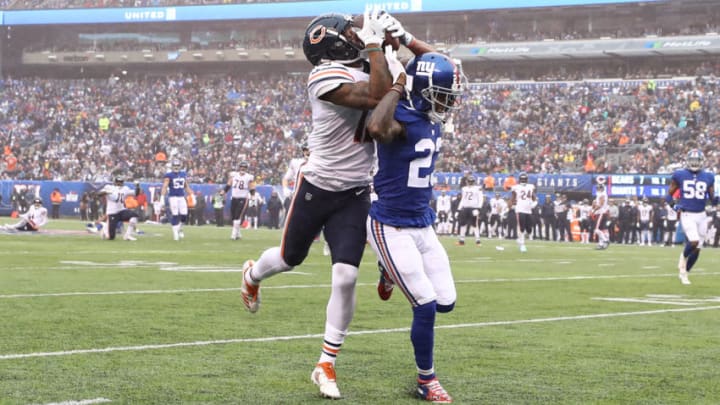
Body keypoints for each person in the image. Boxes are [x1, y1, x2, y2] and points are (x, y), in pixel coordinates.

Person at [240, 9, 431, 400]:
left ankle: (325, 362)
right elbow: (378, 95)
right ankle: (252, 276)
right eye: (351, 31)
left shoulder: (370, 60)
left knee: (344, 276)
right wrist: (380, 48)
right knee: (289, 258)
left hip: (356, 189)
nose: (359, 33)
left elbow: (438, 64)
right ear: (336, 43)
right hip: (318, 185)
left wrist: (404, 38)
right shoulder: (324, 76)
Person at [365, 51, 464, 403]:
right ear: (422, 90)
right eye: (442, 94)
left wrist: (403, 40)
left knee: (446, 303)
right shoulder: (400, 116)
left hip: (423, 223)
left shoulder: (429, 115)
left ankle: (387, 271)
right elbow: (374, 127)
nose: (448, 101)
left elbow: (431, 57)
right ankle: (427, 380)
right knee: (424, 304)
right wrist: (398, 83)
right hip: (389, 224)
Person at [666, 149, 717, 285]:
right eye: (692, 161)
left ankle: (685, 273)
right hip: (687, 213)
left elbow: (713, 199)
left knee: (698, 247)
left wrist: (717, 199)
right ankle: (682, 258)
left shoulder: (708, 176)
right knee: (693, 241)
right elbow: (668, 195)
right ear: (688, 161)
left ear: (701, 162)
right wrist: (674, 206)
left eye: (697, 161)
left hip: (702, 215)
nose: (694, 164)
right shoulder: (680, 174)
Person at [97, 176, 140, 241]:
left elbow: (136, 193)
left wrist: (137, 186)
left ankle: (127, 235)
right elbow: (98, 194)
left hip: (122, 211)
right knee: (111, 237)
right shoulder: (109, 187)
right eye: (118, 182)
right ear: (115, 182)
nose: (119, 184)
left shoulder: (125, 188)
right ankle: (104, 227)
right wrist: (105, 192)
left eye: (121, 182)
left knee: (134, 216)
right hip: (112, 213)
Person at [161, 159, 194, 241]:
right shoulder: (169, 175)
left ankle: (179, 228)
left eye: (177, 166)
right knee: (175, 214)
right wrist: (162, 197)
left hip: (181, 197)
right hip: (173, 197)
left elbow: (186, 186)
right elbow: (165, 186)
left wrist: (192, 195)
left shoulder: (183, 174)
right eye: (174, 166)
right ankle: (175, 233)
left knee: (184, 215)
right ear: (172, 166)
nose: (176, 167)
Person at [225, 161, 254, 240]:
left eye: (244, 167)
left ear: (246, 168)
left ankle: (233, 234)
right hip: (234, 198)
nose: (242, 168)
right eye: (241, 167)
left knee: (237, 216)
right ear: (239, 167)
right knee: (234, 217)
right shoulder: (234, 175)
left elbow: (251, 187)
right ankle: (238, 234)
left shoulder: (249, 177)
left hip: (243, 198)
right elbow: (229, 184)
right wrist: (224, 191)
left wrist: (253, 195)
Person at [510, 172, 537, 252]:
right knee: (521, 227)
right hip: (520, 209)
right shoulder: (516, 187)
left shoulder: (531, 187)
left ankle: (520, 239)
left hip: (528, 210)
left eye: (524, 179)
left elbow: (533, 197)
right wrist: (512, 205)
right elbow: (513, 198)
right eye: (522, 179)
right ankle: (522, 244)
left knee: (529, 229)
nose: (523, 180)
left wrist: (534, 203)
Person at [456, 176, 483, 246]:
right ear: (467, 182)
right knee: (463, 224)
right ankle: (462, 241)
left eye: (471, 181)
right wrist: (458, 209)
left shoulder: (477, 189)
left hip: (473, 208)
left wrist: (478, 208)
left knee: (474, 224)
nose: (470, 183)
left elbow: (480, 199)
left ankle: (478, 241)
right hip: (465, 208)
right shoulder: (464, 189)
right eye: (469, 181)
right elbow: (463, 199)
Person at [592, 184, 610, 249]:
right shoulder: (601, 194)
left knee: (596, 229)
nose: (597, 189)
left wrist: (593, 211)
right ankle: (601, 244)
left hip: (600, 213)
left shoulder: (602, 194)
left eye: (598, 188)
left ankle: (605, 240)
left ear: (601, 188)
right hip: (602, 212)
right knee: (601, 230)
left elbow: (600, 205)